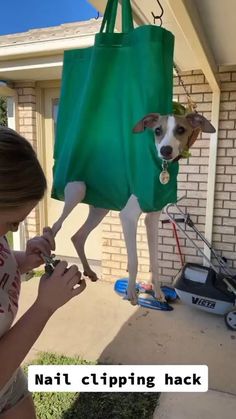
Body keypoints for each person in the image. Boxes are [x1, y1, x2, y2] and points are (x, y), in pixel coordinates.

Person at [0, 126, 86, 418]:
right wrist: (44, 306)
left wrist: (24, 259)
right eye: (12, 224)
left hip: (8, 376)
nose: (12, 231)